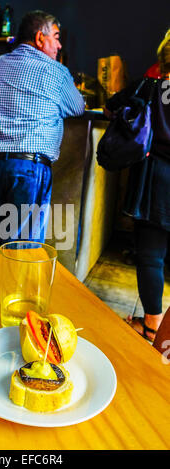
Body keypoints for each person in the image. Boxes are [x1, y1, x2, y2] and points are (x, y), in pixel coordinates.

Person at [0, 10, 85, 247]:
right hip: (28, 168)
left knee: (5, 245)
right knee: (25, 249)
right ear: (39, 39)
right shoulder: (56, 71)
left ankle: (6, 285)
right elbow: (77, 107)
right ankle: (18, 286)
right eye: (56, 37)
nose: (59, 45)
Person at [104, 29, 170, 342]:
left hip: (156, 181)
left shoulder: (150, 85)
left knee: (151, 256)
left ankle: (152, 325)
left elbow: (112, 106)